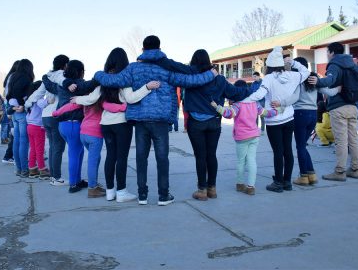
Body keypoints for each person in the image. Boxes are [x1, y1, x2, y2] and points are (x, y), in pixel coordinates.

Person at [94, 36, 217, 206]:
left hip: (140, 120)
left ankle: (142, 196)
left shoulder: (133, 69)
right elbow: (190, 81)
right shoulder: (166, 68)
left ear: (143, 49)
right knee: (162, 158)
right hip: (160, 120)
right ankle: (163, 196)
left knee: (141, 158)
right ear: (159, 48)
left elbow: (112, 80)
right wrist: (211, 74)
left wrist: (97, 73)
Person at [66, 48, 160, 202]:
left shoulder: (103, 79)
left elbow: (91, 99)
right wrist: (147, 87)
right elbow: (131, 98)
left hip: (105, 124)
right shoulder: (125, 78)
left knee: (110, 156)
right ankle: (121, 192)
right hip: (121, 124)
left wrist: (77, 100)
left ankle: (110, 191)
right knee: (121, 158)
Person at [164, 49, 250, 201]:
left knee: (200, 156)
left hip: (196, 123)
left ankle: (202, 190)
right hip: (214, 122)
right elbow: (237, 93)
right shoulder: (221, 80)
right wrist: (254, 89)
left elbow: (175, 67)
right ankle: (212, 189)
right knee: (211, 155)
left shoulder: (192, 78)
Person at [308, 42, 358, 181]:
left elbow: (330, 80)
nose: (327, 55)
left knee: (341, 141)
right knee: (353, 140)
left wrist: (317, 81)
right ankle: (355, 169)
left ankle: (339, 172)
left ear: (332, 52)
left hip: (338, 107)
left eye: (327, 52)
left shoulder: (334, 64)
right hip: (353, 107)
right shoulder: (352, 65)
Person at [247, 47, 310, 193]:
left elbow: (259, 94)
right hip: (289, 118)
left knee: (278, 152)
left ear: (269, 65)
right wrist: (294, 63)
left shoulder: (269, 78)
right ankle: (287, 181)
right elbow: (305, 72)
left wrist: (244, 101)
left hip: (274, 121)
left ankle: (278, 182)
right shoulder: (292, 75)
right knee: (288, 150)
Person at [211, 80, 279, 196]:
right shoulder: (255, 103)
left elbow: (228, 114)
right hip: (254, 135)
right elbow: (265, 113)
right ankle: (251, 187)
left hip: (242, 137)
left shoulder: (237, 105)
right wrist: (277, 111)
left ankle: (240, 184)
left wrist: (217, 107)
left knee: (241, 161)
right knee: (252, 160)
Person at [44, 60, 99, 193]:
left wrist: (46, 76)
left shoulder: (61, 85)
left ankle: (77, 180)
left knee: (78, 153)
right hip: (74, 123)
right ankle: (73, 184)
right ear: (80, 72)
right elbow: (91, 84)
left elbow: (47, 82)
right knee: (74, 153)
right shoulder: (78, 84)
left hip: (63, 125)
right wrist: (100, 75)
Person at [289, 57, 339, 186]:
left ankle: (303, 176)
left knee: (300, 147)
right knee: (303, 146)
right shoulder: (314, 79)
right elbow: (330, 92)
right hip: (313, 114)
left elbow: (290, 97)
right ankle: (311, 174)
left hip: (300, 114)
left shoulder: (297, 79)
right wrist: (339, 88)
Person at [25, 55, 69, 185]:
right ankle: (56, 178)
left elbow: (37, 93)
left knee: (52, 147)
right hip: (56, 114)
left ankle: (52, 175)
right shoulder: (61, 75)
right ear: (65, 65)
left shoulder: (48, 77)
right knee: (58, 147)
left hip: (45, 116)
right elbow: (62, 83)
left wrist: (27, 103)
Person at [7, 59, 35, 177]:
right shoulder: (25, 78)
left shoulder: (12, 77)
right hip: (21, 112)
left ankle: (18, 168)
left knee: (17, 141)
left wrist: (12, 105)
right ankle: (24, 169)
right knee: (23, 141)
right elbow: (20, 93)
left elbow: (8, 93)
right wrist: (22, 105)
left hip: (14, 111)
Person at [25, 81, 50, 179]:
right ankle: (42, 169)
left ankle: (32, 168)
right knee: (40, 149)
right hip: (37, 127)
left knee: (33, 148)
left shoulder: (29, 100)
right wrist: (48, 101)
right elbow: (43, 104)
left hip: (30, 126)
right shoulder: (38, 99)